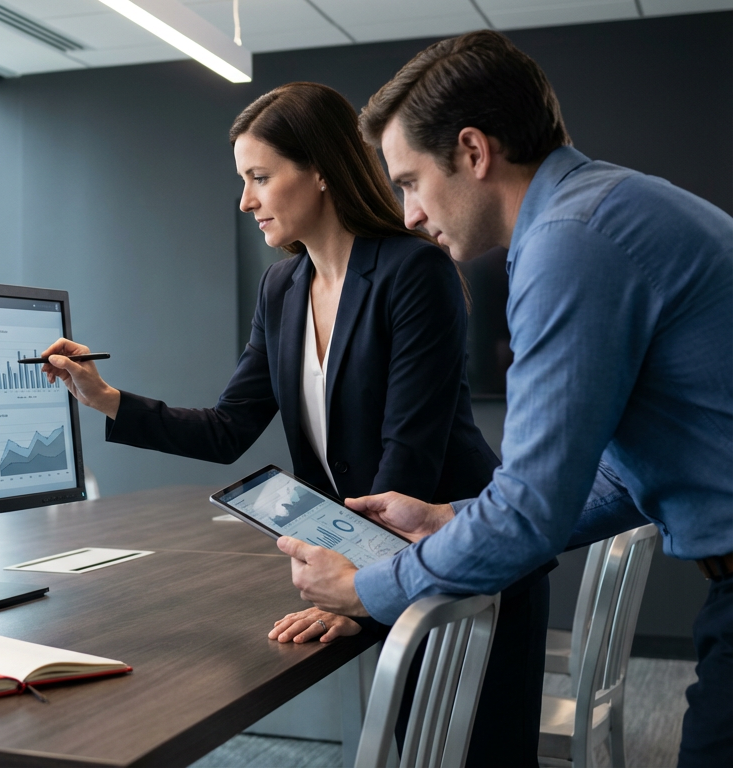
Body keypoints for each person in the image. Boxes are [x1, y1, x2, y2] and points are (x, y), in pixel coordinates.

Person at [42, 82, 549, 766]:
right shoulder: (282, 288)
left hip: (460, 563)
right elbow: (228, 427)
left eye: (259, 177)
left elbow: (411, 454)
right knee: (416, 752)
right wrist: (105, 398)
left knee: (476, 756)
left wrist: (358, 593)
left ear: (319, 170)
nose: (246, 200)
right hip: (379, 565)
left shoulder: (413, 271)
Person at [278, 30, 733, 767]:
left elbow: (527, 514)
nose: (408, 216)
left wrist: (369, 587)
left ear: (473, 152)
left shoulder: (569, 242)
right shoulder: (601, 209)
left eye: (410, 181)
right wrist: (452, 516)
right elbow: (623, 476)